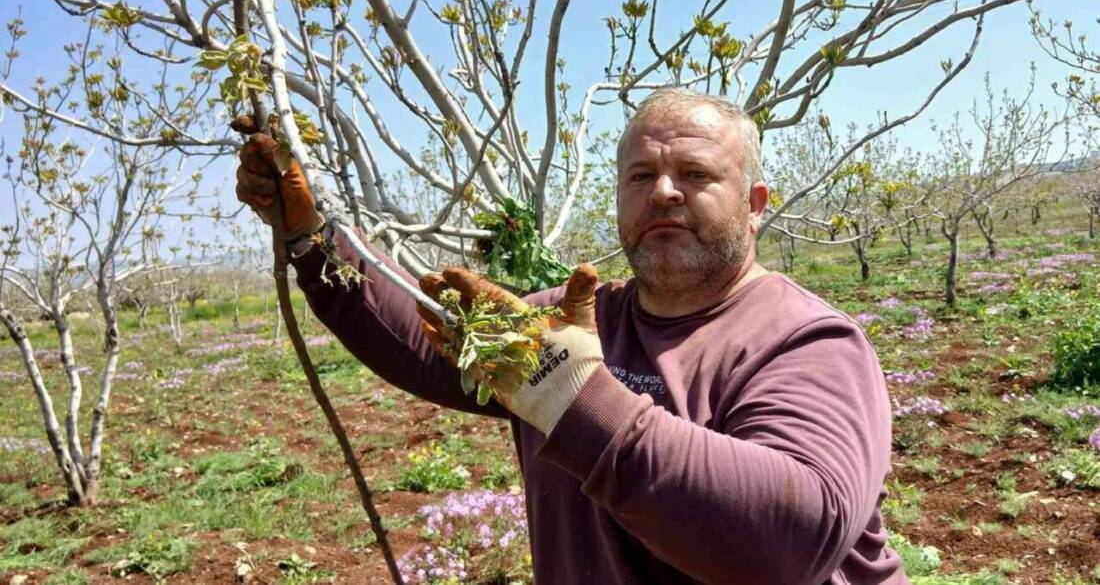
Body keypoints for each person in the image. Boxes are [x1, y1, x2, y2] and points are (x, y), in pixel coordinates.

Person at [236, 88, 908, 584]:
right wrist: (310, 238)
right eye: (641, 176)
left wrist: (573, 398)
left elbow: (794, 543)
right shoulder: (573, 321)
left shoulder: (807, 342)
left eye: (697, 175)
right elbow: (422, 345)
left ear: (756, 205)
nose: (665, 192)